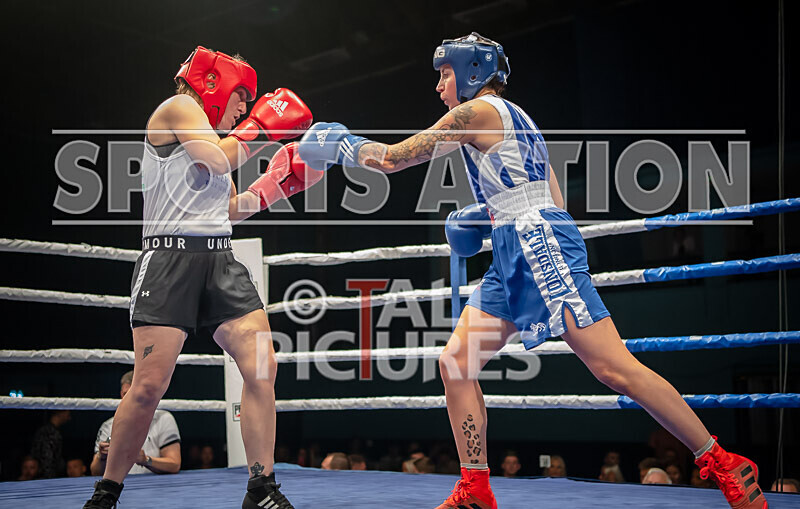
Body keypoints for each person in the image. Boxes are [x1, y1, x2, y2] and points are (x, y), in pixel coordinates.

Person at [298, 32, 768, 509]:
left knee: (612, 367)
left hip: (536, 242)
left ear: (471, 74)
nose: (439, 86)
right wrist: (491, 218)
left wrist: (342, 144)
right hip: (517, 244)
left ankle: (722, 459)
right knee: (456, 364)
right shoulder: (520, 120)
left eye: (444, 74)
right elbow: (552, 196)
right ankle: (476, 487)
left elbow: (395, 159)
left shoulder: (477, 111)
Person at [82, 46, 316, 509]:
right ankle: (107, 493)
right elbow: (216, 160)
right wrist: (263, 129)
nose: (245, 109)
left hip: (219, 260)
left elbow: (229, 209)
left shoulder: (211, 135)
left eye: (250, 104)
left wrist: (276, 186)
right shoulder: (179, 108)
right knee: (148, 386)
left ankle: (261, 487)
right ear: (214, 85)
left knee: (261, 365)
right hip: (170, 260)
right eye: (242, 97)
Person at [90, 370, 182, 477]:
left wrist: (146, 460)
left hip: (155, 487)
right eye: (126, 394)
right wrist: (102, 457)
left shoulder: (163, 418)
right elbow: (95, 472)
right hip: (118, 487)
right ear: (121, 395)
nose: (130, 400)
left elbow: (174, 464)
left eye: (133, 394)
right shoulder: (108, 426)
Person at [31, 409, 70, 478]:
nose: (69, 417)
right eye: (67, 413)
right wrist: (50, 478)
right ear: (60, 413)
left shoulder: (50, 431)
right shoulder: (49, 432)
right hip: (47, 477)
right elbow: (47, 458)